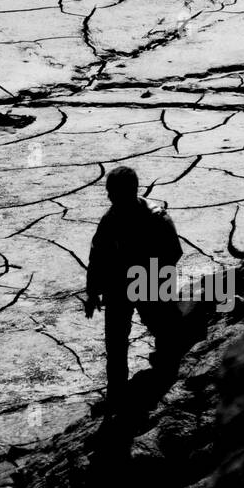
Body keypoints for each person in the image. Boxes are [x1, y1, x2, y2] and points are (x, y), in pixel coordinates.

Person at [85, 166, 183, 410]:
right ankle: (116, 396)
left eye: (113, 192)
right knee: (116, 343)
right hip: (118, 287)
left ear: (130, 192)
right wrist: (93, 290)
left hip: (148, 283)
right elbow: (98, 255)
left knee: (164, 328)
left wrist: (148, 280)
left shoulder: (156, 218)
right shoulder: (111, 219)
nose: (109, 197)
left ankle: (164, 379)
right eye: (108, 192)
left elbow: (173, 252)